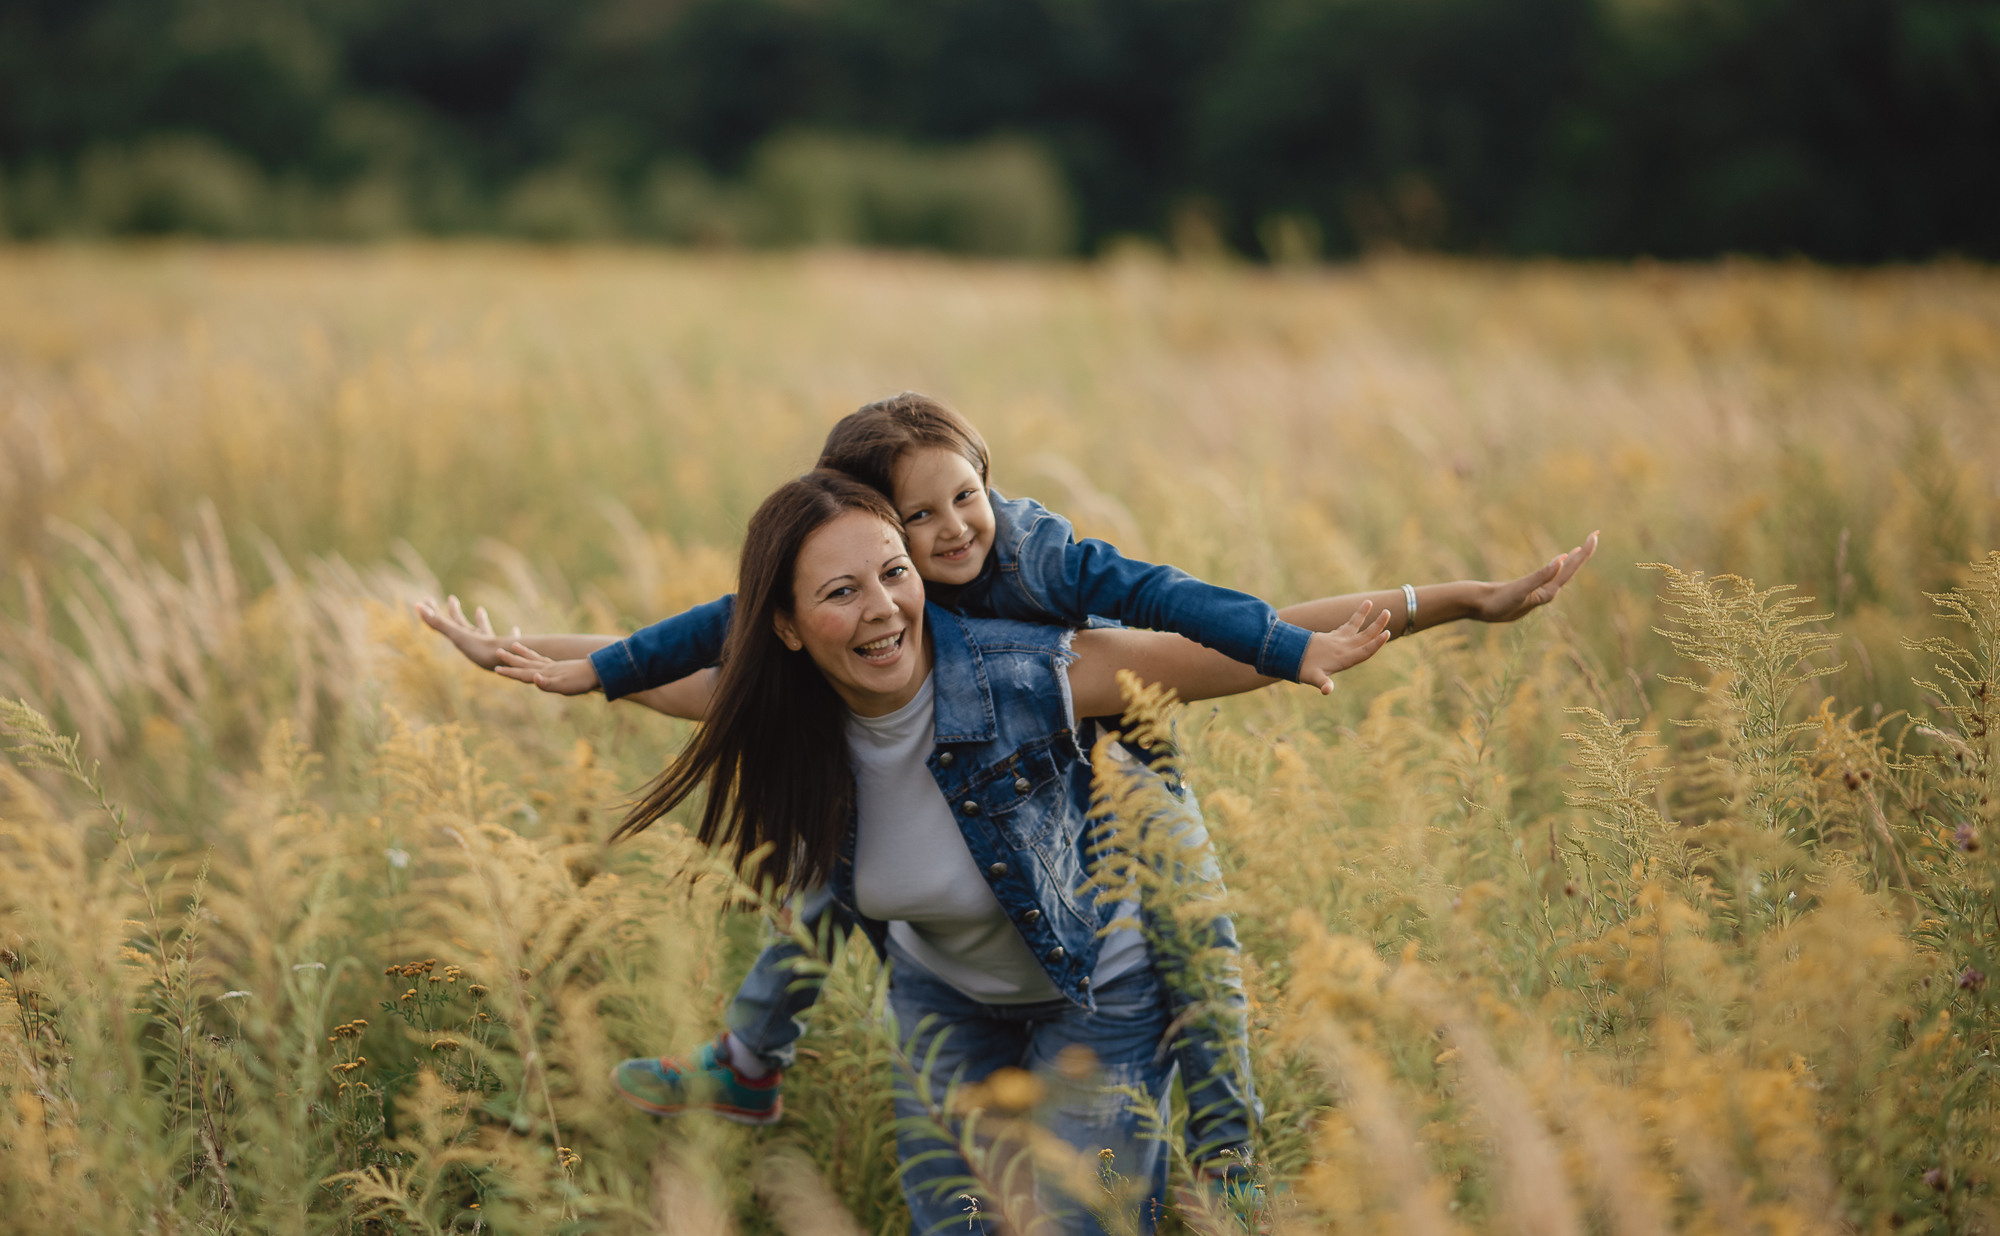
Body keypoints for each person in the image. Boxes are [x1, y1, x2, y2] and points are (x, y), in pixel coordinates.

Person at [416, 393, 1599, 1189]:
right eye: (909, 521)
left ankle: (1231, 1187)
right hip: (947, 838)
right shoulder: (837, 621)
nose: (943, 535)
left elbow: (1205, 614)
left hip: (1107, 778)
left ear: (989, 482)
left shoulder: (1038, 569)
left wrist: (1443, 601)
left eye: (959, 500)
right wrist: (552, 661)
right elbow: (698, 646)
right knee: (834, 861)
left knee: (1200, 962)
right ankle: (749, 1056)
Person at [585, 468, 1398, 1236]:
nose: (882, 608)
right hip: (946, 1007)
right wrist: (531, 660)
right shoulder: (793, 712)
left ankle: (1229, 1163)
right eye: (840, 591)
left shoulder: (1025, 673)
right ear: (785, 627)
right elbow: (634, 663)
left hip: (1100, 996)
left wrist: (1446, 599)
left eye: (895, 572)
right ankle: (748, 1059)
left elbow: (1224, 637)